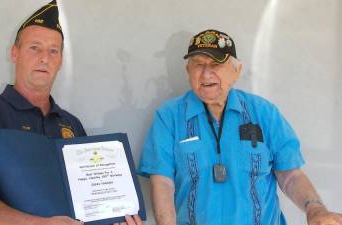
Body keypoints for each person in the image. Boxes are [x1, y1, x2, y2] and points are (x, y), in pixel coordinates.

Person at [0, 1, 142, 225]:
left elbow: (89, 203)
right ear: (14, 53)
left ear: (60, 61)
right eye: (35, 48)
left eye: (53, 51)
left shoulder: (71, 125)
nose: (44, 58)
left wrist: (114, 218)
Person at [138, 29, 342, 225]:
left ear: (236, 71)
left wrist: (315, 208)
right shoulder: (168, 117)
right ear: (187, 70)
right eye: (198, 64)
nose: (206, 74)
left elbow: (290, 175)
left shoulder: (264, 113)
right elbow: (162, 183)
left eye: (215, 64)